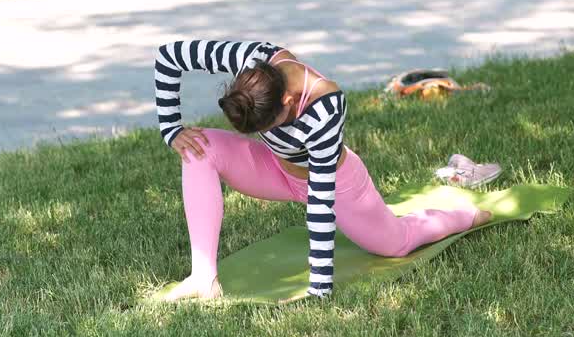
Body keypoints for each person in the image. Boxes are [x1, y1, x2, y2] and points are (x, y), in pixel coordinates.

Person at [155, 38, 494, 301]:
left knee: (396, 244)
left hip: (336, 183)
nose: (270, 130)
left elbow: (321, 200)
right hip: (274, 170)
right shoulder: (249, 59)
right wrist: (171, 130)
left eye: (272, 123)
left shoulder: (327, 105)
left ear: (288, 102)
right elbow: (169, 55)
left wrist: (319, 287)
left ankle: (464, 215)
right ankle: (203, 277)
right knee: (197, 150)